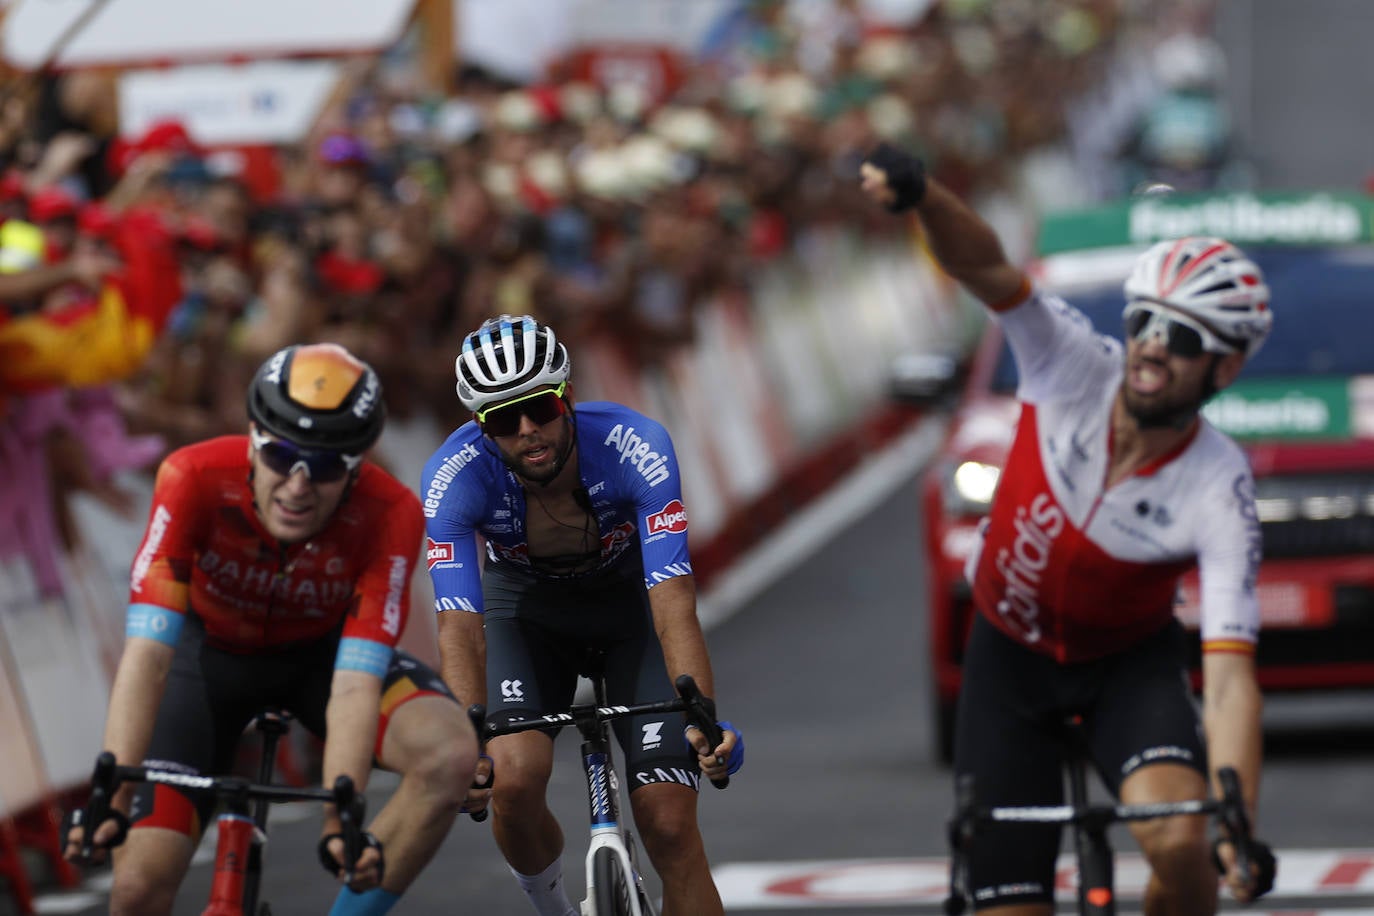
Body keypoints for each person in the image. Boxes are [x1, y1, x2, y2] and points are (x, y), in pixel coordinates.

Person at [859, 144, 1276, 914]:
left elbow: (1228, 678)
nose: (1155, 343)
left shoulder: (1219, 481)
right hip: (1007, 664)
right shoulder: (1071, 363)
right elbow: (987, 269)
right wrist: (926, 197)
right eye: (1148, 320)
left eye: (1185, 338)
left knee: (1184, 844)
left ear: (1224, 369)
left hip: (1126, 669)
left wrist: (1236, 825)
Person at [63, 342, 479, 916]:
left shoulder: (390, 514)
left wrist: (342, 815)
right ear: (253, 440)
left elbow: (356, 683)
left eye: (328, 466)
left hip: (322, 661)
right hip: (202, 662)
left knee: (451, 752)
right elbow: (148, 655)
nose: (299, 486)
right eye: (282, 456)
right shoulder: (193, 477)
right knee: (137, 890)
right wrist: (117, 792)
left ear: (358, 468)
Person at [422, 313, 744, 916]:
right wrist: (467, 745)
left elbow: (673, 602)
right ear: (479, 427)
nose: (527, 431)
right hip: (527, 616)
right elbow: (459, 626)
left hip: (628, 612)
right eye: (501, 420)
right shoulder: (453, 476)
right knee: (512, 782)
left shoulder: (634, 445)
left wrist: (702, 715)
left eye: (540, 408)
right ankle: (555, 910)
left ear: (566, 396)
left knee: (670, 823)